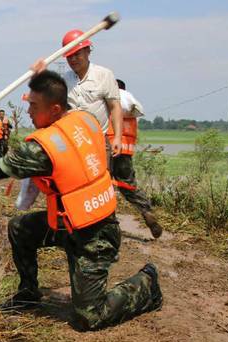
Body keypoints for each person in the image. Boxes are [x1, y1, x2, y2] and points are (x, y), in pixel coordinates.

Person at [0, 71, 162, 331]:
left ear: (55, 108)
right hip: (69, 222)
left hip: (96, 235)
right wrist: (42, 72)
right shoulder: (84, 118)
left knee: (90, 316)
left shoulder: (42, 147)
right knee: (20, 228)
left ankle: (147, 283)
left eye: (34, 106)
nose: (29, 112)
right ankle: (28, 293)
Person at [31, 29, 162, 238]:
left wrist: (117, 137)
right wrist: (40, 74)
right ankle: (79, 224)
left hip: (99, 143)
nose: (73, 59)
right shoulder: (64, 80)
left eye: (77, 54)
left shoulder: (104, 75)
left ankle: (107, 228)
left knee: (102, 187)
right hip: (74, 145)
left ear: (87, 51)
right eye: (69, 56)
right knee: (75, 186)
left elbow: (115, 107)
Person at [111, 79, 162, 238]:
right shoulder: (131, 108)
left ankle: (108, 222)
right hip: (125, 151)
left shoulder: (110, 102)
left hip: (107, 147)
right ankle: (146, 212)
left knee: (103, 186)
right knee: (129, 186)